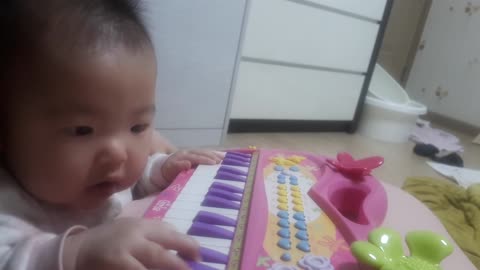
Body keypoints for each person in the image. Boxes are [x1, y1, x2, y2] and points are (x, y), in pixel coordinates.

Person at [0, 0, 222, 269]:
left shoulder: (101, 177)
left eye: (137, 128)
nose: (119, 153)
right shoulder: (9, 208)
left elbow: (135, 181)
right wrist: (75, 252)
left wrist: (162, 168)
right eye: (83, 130)